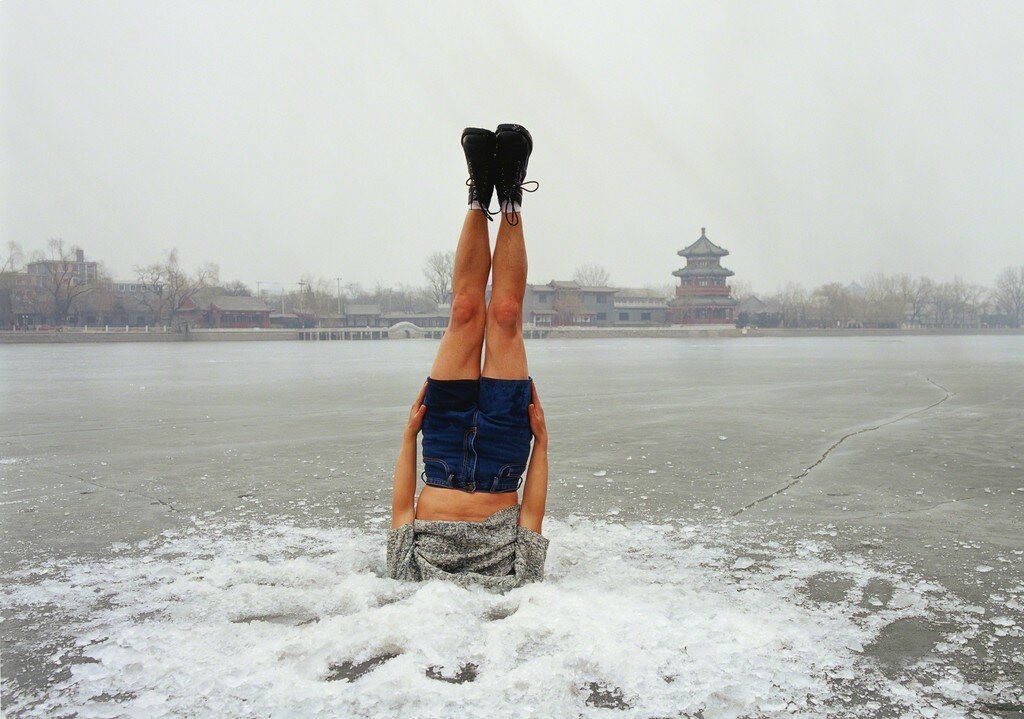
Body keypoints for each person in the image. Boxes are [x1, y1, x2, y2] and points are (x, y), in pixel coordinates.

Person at [386, 124, 550, 591]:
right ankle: (512, 195)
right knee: (504, 314)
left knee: (463, 311)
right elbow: (533, 515)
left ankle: (480, 193)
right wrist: (542, 444)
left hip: (439, 451)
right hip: (503, 451)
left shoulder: (408, 579)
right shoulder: (516, 585)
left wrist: (407, 439)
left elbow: (402, 510)